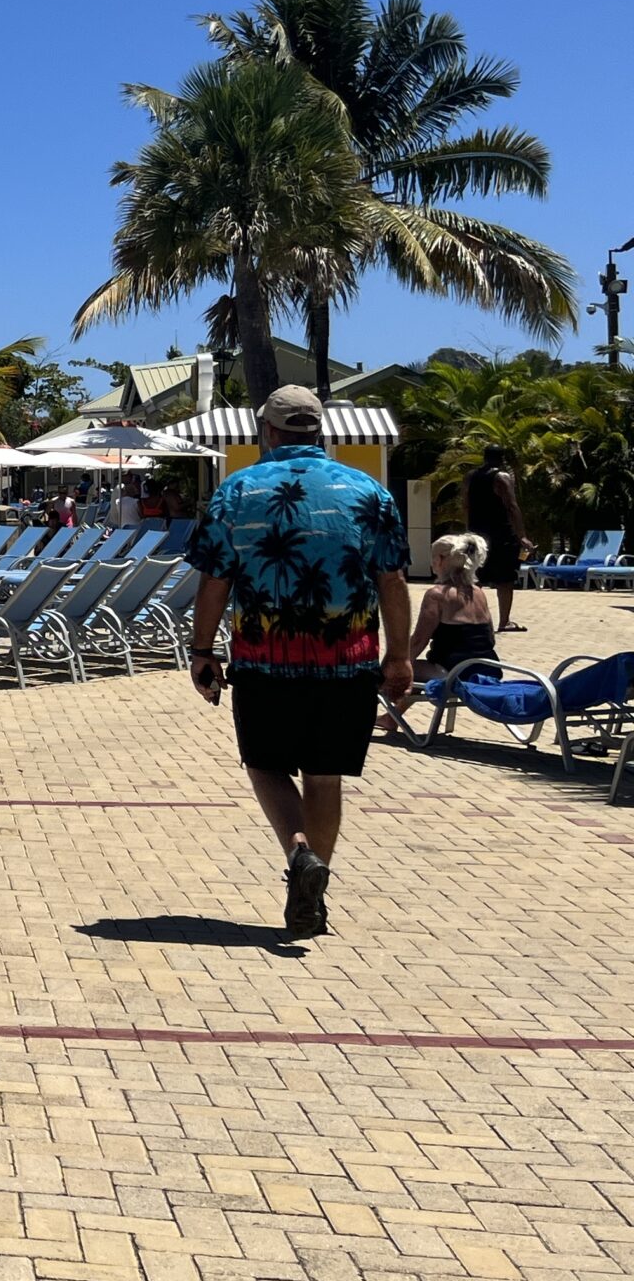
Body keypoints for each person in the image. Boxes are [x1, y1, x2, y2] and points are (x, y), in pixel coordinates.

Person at [186, 385, 411, 941]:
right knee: (324, 772)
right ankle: (314, 890)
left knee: (265, 764)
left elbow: (214, 582)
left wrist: (201, 651)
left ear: (267, 431)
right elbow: (393, 580)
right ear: (320, 433)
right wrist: (401, 656)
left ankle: (299, 852)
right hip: (348, 661)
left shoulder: (236, 491)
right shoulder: (368, 491)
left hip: (266, 660)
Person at [403, 533, 497, 736]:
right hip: (488, 668)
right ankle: (391, 718)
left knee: (399, 668)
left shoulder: (437, 594)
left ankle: (385, 714)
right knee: (417, 667)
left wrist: (399, 665)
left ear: (440, 560)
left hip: (454, 672)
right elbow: (490, 637)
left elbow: (419, 639)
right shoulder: (478, 592)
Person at [463, 446, 529, 632]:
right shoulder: (502, 477)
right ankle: (504, 621)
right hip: (501, 534)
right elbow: (512, 506)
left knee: (476, 578)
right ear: (502, 459)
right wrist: (522, 535)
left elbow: (466, 505)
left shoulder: (470, 477)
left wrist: (469, 531)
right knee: (505, 580)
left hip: (476, 534)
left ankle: (472, 619)